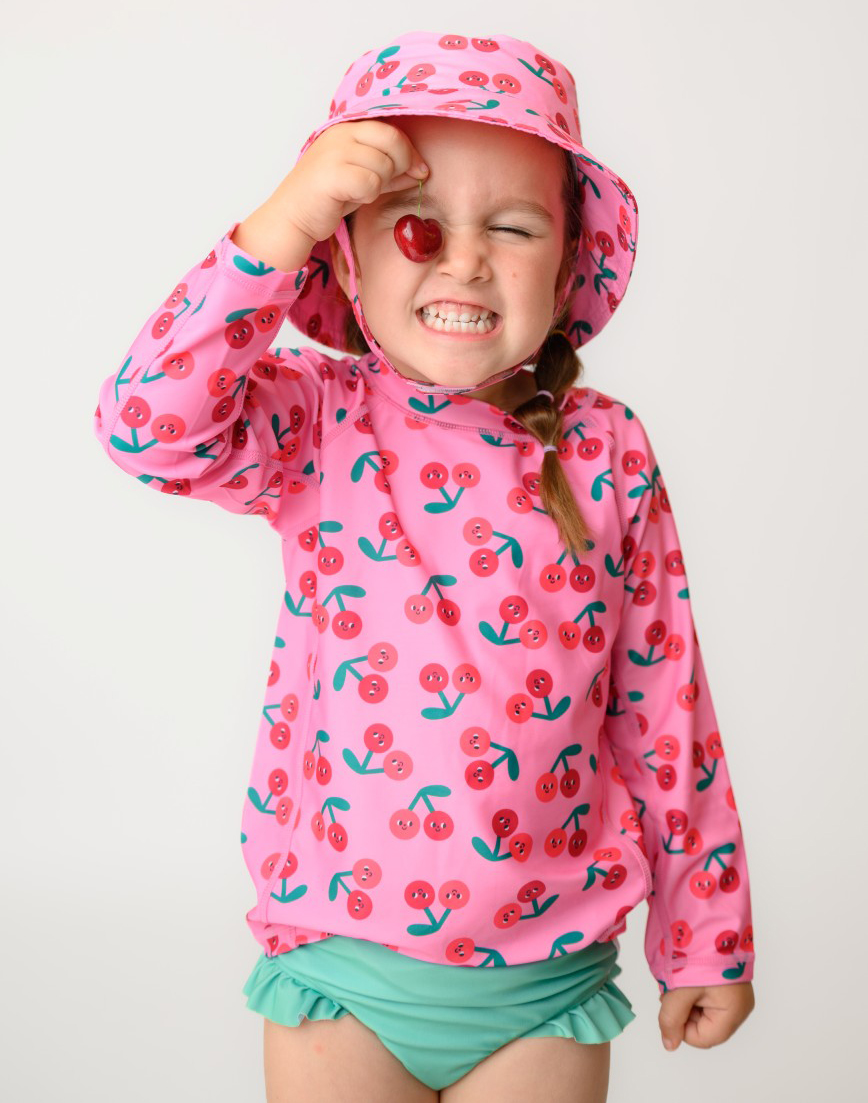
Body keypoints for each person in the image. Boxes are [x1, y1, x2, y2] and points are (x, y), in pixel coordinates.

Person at [92, 29, 756, 1103]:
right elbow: (145, 427)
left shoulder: (608, 450)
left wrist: (706, 928)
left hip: (544, 981)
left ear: (569, 264)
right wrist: (279, 226)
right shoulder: (319, 422)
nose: (464, 260)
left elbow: (664, 704)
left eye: (512, 226)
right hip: (342, 971)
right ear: (347, 257)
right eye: (416, 224)